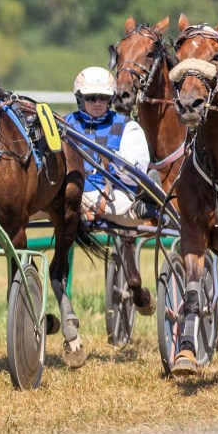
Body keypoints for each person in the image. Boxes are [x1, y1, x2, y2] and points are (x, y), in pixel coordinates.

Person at [64, 66, 156, 316]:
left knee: (130, 210)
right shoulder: (65, 124)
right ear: (81, 99)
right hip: (74, 194)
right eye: (91, 98)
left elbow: (136, 167)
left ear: (111, 99)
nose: (97, 103)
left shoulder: (127, 126)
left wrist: (112, 166)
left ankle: (135, 280)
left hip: (114, 196)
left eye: (103, 98)